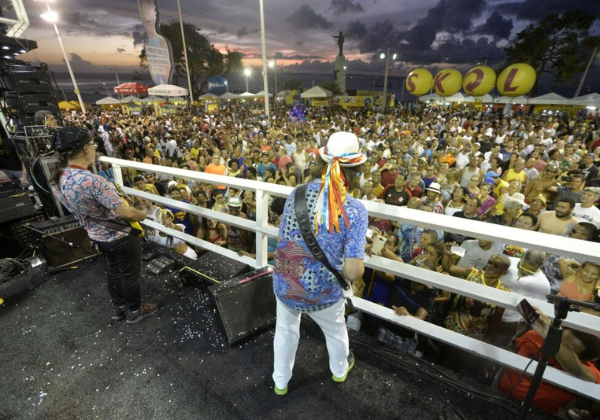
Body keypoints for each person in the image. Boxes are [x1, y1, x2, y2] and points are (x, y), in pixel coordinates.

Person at [272, 132, 367, 396]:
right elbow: (352, 270)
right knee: (336, 332)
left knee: (286, 331)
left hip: (286, 281)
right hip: (322, 292)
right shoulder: (355, 210)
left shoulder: (296, 193)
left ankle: (280, 381)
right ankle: (339, 371)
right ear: (356, 171)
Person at [50, 127, 156, 324]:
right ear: (84, 149)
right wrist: (143, 213)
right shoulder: (92, 181)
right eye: (93, 145)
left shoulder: (58, 179)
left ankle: (119, 307)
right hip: (121, 237)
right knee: (129, 275)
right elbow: (127, 213)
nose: (95, 150)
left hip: (97, 235)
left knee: (113, 271)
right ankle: (134, 310)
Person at [497, 310, 600, 416]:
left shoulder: (588, 371)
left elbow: (578, 371)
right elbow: (514, 348)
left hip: (537, 414)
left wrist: (550, 337)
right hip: (499, 394)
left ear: (582, 359)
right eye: (559, 339)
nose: (554, 345)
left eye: (567, 349)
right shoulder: (533, 337)